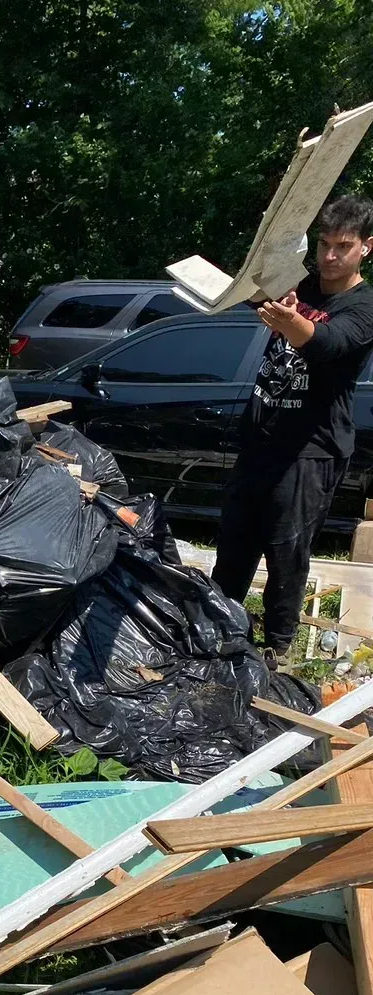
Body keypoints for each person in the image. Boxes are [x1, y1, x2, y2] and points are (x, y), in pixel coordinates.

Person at [212, 194, 373, 666]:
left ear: (366, 247)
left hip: (311, 450)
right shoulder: (301, 285)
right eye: (324, 244)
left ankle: (276, 651)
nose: (328, 256)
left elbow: (329, 343)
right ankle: (219, 630)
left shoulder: (364, 303)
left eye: (342, 246)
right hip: (261, 440)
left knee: (287, 556)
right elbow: (258, 286)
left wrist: (290, 321)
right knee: (234, 545)